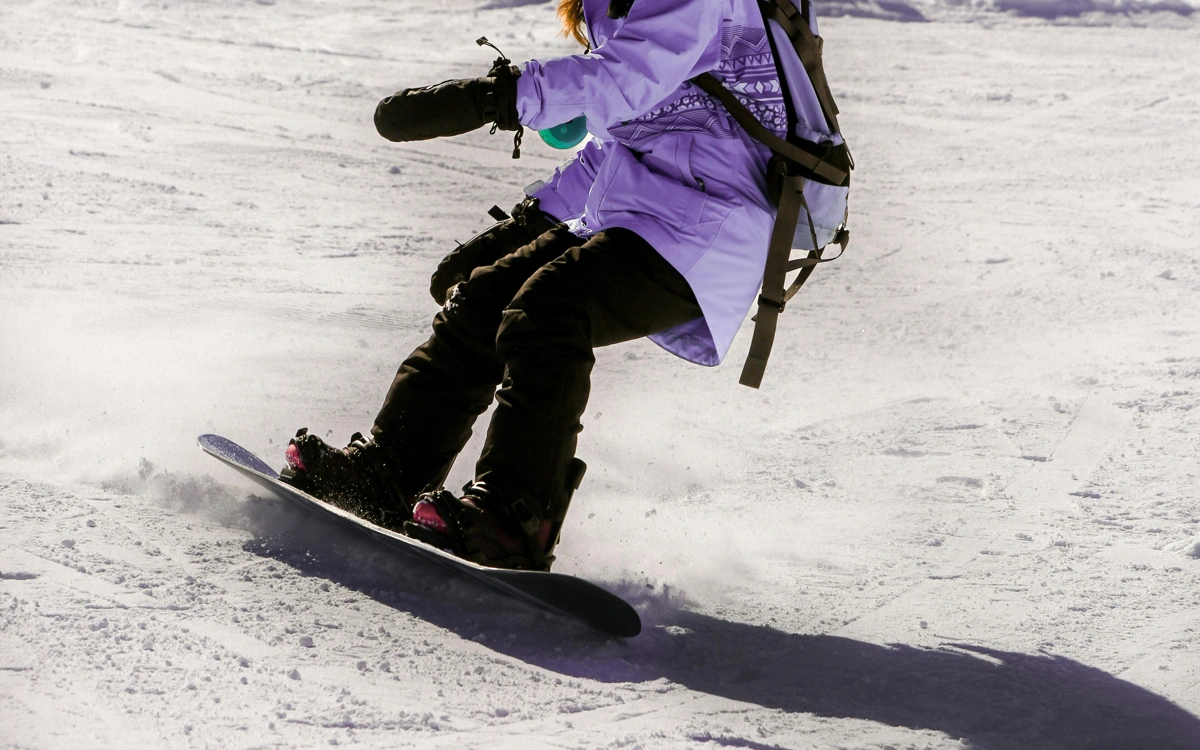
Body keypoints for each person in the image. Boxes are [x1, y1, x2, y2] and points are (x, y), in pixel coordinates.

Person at [280, 0, 837, 571]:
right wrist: (533, 220)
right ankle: (390, 473)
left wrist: (500, 97)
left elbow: (622, 80)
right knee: (485, 300)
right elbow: (622, 132)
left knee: (549, 308)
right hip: (644, 210)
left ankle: (515, 517)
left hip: (710, 226)